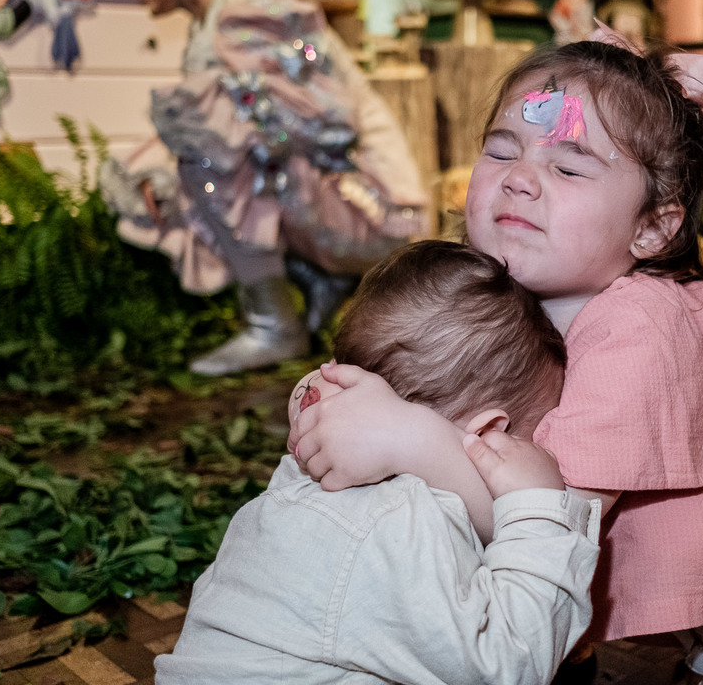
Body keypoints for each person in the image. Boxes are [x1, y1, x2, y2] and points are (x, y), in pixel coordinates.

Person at [289, 24, 703, 685]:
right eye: (501, 151)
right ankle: (557, 640)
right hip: (566, 483)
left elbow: (559, 518)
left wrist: (407, 441)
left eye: (567, 167)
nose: (519, 180)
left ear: (653, 228)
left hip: (653, 506)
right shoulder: (492, 269)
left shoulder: (639, 331)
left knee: (690, 539)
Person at [156, 239, 600, 685]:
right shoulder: (399, 525)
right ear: (489, 434)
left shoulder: (307, 475)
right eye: (530, 440)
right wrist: (538, 510)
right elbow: (512, 667)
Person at [101, 0, 429, 376]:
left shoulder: (244, 16)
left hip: (376, 211)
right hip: (332, 194)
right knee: (181, 157)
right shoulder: (213, 21)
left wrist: (190, 163)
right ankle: (315, 279)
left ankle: (274, 324)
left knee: (202, 160)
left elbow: (326, 129)